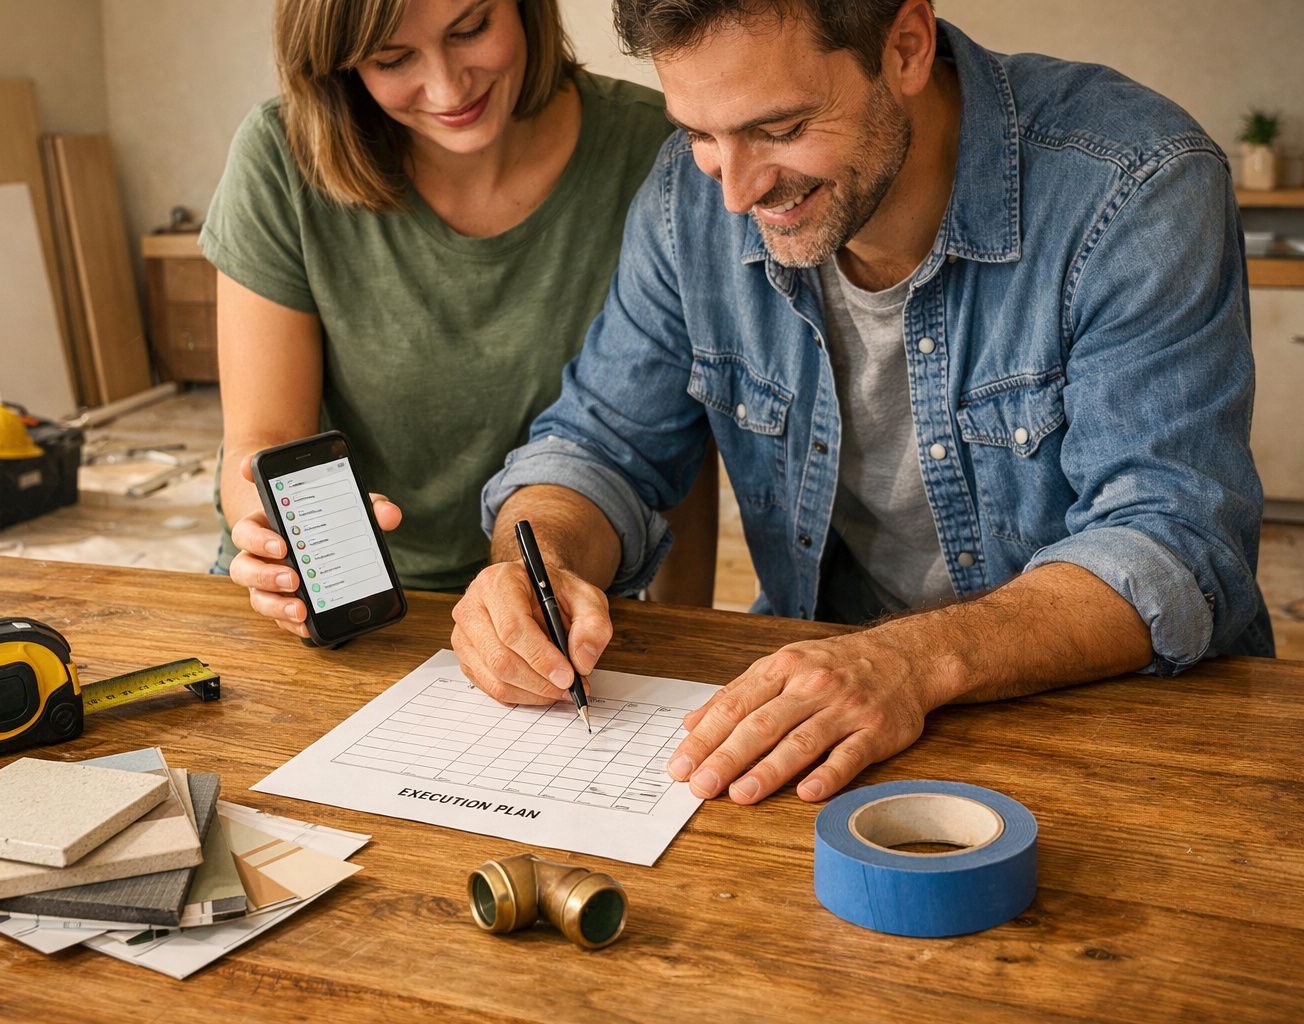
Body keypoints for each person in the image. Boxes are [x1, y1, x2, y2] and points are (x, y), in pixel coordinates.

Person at [451, 0, 1274, 804]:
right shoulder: (686, 198)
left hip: (1119, 725)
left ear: (907, 47)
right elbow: (599, 448)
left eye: (780, 130)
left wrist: (907, 663)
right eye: (702, 134)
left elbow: (1170, 541)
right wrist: (538, 560)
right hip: (834, 707)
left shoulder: (1132, 183)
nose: (736, 194)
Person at [203, 0, 717, 637]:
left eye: (471, 29)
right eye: (392, 59)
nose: (448, 89)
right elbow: (262, 443)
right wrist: (280, 543)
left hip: (564, 601)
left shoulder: (663, 155)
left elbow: (677, 445)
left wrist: (695, 636)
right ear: (339, 65)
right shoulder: (280, 157)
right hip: (342, 608)